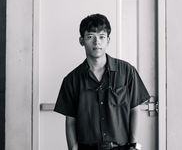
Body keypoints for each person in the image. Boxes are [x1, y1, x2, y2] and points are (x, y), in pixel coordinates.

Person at [54, 13, 150, 150]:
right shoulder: (71, 80)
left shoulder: (127, 71)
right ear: (81, 40)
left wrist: (133, 145)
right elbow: (70, 121)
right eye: (90, 37)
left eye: (101, 37)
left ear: (108, 40)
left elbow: (134, 109)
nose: (96, 42)